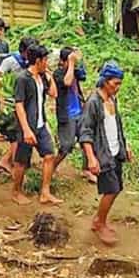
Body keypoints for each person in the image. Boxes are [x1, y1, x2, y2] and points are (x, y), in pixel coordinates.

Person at [80, 61, 132, 245]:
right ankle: (99, 222)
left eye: (119, 84)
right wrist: (91, 158)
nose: (117, 87)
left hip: (115, 150)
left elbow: (116, 125)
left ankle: (100, 219)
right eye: (115, 83)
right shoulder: (93, 102)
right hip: (102, 153)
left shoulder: (112, 99)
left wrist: (125, 146)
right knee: (111, 189)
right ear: (104, 81)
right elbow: (85, 131)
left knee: (117, 188)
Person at [11, 44, 59, 205]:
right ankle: (16, 192)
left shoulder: (42, 76)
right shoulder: (22, 79)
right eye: (45, 60)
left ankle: (45, 192)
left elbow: (53, 93)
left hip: (40, 124)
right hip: (27, 126)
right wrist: (26, 130)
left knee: (49, 155)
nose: (47, 63)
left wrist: (49, 75)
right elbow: (19, 105)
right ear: (38, 60)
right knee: (21, 161)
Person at [0, 36, 37, 174]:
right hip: (9, 103)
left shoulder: (31, 63)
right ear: (23, 51)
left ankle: (11, 162)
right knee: (16, 136)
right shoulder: (10, 61)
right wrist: (1, 98)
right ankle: (9, 163)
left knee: (20, 136)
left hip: (23, 104)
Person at [53, 47, 93, 182]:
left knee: (86, 140)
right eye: (69, 61)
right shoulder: (58, 74)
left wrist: (78, 61)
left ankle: (86, 170)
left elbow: (83, 75)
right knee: (66, 146)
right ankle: (51, 167)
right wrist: (70, 63)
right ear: (62, 62)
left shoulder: (74, 71)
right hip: (67, 115)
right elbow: (67, 82)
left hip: (80, 112)